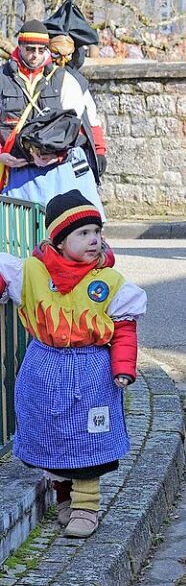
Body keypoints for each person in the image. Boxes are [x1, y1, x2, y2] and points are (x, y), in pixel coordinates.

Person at [0, 190, 146, 538]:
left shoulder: (108, 281)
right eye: (83, 233)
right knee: (52, 435)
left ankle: (86, 506)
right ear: (60, 240)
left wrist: (123, 367)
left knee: (89, 437)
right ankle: (64, 497)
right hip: (44, 367)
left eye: (97, 232)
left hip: (92, 369)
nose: (94, 239)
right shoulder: (32, 272)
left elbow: (125, 330)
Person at [0, 20, 105, 185]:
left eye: (41, 50)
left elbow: (78, 126)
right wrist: (1, 155)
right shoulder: (2, 78)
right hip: (11, 171)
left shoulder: (63, 79)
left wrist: (59, 155)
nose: (35, 55)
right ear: (19, 46)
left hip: (54, 171)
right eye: (30, 49)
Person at [1, 107, 104, 216]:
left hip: (64, 171)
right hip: (20, 176)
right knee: (20, 227)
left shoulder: (70, 89)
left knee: (77, 222)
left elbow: (86, 118)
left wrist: (99, 150)